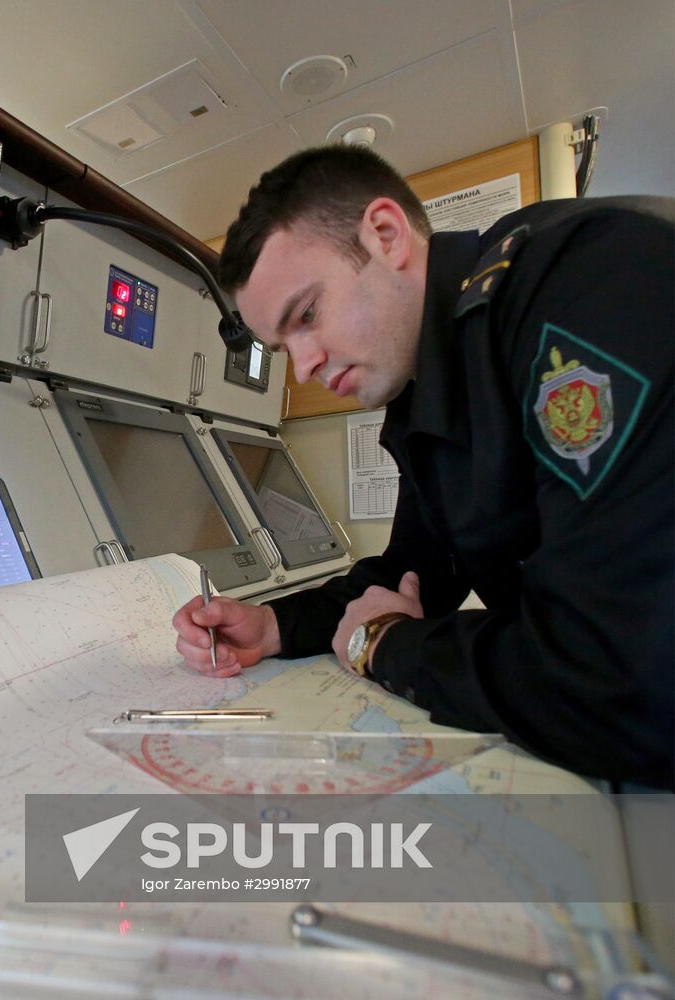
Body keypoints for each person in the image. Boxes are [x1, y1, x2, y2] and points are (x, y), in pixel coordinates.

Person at [172, 144, 674, 790]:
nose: (304, 367)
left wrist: (387, 646)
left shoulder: (580, 284)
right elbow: (415, 571)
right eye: (282, 345)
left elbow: (624, 682)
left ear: (386, 235)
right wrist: (273, 626)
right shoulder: (430, 388)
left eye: (307, 315)